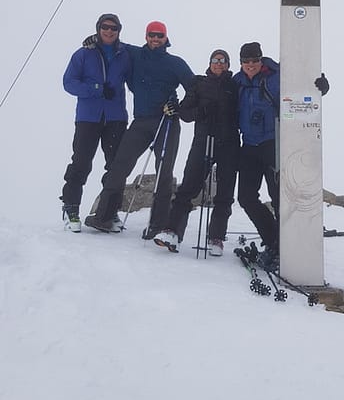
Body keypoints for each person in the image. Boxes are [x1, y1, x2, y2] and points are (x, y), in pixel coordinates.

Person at [84, 21, 194, 234]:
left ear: (165, 38)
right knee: (119, 165)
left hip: (166, 121)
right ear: (146, 36)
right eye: (151, 35)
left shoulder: (175, 63)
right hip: (141, 121)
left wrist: (178, 106)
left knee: (164, 172)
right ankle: (104, 217)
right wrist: (95, 40)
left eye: (159, 35)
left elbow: (194, 88)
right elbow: (112, 42)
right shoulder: (133, 54)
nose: (155, 39)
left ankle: (158, 225)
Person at [233, 41, 329, 265]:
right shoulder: (237, 81)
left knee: (279, 197)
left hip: (273, 144)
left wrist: (321, 87)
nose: (250, 65)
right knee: (246, 197)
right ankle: (274, 239)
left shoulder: (277, 76)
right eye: (245, 61)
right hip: (248, 146)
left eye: (254, 60)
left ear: (260, 59)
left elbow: (303, 88)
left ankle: (286, 245)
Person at [154, 49, 240, 256]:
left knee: (225, 192)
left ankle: (216, 237)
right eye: (215, 60)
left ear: (228, 64)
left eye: (223, 61)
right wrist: (200, 112)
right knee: (189, 186)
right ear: (210, 63)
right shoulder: (199, 84)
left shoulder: (235, 85)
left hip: (228, 142)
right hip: (202, 140)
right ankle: (172, 231)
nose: (218, 64)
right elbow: (184, 112)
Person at [61, 13, 131, 232]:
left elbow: (144, 69)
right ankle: (71, 209)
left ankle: (111, 212)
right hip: (88, 117)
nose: (109, 31)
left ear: (119, 31)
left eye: (114, 28)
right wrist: (96, 89)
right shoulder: (83, 54)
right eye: (105, 27)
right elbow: (69, 82)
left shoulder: (126, 54)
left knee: (115, 166)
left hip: (116, 118)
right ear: (98, 28)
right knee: (81, 162)